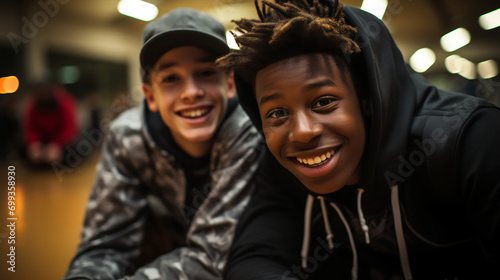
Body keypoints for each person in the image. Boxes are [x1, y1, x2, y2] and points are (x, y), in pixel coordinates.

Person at [216, 0, 500, 279]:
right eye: (277, 113)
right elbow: (254, 257)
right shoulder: (282, 164)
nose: (302, 132)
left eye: (324, 101)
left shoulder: (469, 139)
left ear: (368, 100)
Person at [62, 8, 263, 280]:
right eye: (170, 79)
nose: (191, 92)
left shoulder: (246, 130)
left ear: (229, 84)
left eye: (205, 72)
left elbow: (211, 257)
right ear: (150, 96)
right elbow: (105, 245)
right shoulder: (127, 136)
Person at [22, 81, 79, 166]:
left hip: (61, 144)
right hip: (42, 144)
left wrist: (56, 144)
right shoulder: (32, 107)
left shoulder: (64, 104)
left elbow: (69, 129)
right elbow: (31, 129)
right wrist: (34, 144)